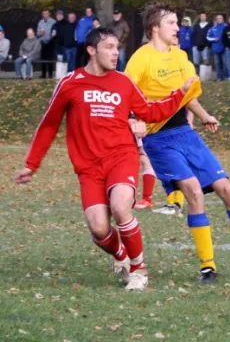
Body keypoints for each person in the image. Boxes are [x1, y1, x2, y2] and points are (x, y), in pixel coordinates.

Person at [13, 27, 198, 291]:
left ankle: (139, 269)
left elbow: (150, 111)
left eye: (117, 48)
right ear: (91, 50)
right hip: (88, 167)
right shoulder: (70, 83)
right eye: (109, 47)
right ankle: (121, 256)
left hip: (121, 157)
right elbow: (49, 125)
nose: (115, 53)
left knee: (121, 208)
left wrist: (180, 94)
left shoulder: (123, 82)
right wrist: (31, 165)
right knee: (99, 229)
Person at [126, 1, 230, 284]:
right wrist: (133, 119)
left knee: (226, 188)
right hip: (159, 139)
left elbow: (188, 96)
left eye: (177, 23)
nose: (177, 28)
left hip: (185, 134)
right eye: (171, 23)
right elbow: (125, 93)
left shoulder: (180, 57)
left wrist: (204, 116)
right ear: (154, 27)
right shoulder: (140, 59)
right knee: (194, 192)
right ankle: (208, 267)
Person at [207, 14, 227, 81]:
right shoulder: (212, 28)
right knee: (217, 64)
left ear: (223, 19)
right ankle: (218, 77)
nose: (219, 19)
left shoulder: (226, 27)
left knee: (224, 63)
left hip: (224, 49)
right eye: (218, 18)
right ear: (216, 20)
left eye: (220, 18)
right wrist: (213, 39)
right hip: (216, 49)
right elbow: (208, 37)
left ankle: (225, 77)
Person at [37, 9, 56, 79]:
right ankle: (43, 74)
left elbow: (55, 32)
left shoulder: (53, 22)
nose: (45, 15)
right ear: (42, 15)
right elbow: (37, 34)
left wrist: (53, 35)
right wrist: (40, 33)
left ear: (49, 14)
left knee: (50, 58)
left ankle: (50, 74)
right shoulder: (40, 22)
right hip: (42, 42)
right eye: (44, 14)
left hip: (50, 42)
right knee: (43, 59)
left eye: (46, 13)